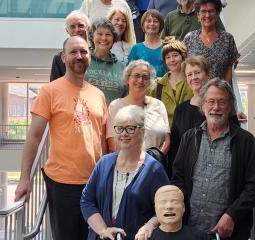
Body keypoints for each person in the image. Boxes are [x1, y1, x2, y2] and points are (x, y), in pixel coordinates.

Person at [15, 36, 108, 240]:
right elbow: (34, 137)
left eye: (83, 52)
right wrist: (24, 179)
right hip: (62, 182)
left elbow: (101, 139)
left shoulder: (98, 95)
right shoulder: (49, 91)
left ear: (89, 56)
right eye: (73, 52)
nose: (79, 56)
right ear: (63, 57)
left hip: (95, 182)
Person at [172, 78, 255, 240]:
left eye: (222, 102)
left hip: (228, 231)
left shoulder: (246, 142)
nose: (216, 107)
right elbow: (178, 178)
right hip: (190, 229)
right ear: (202, 105)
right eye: (211, 101)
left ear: (230, 107)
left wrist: (232, 215)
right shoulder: (189, 138)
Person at [80, 105, 169, 240]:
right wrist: (103, 230)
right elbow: (87, 201)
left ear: (143, 131)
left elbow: (166, 207)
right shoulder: (104, 163)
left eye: (130, 128)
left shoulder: (154, 169)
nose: (124, 133)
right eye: (120, 128)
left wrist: (149, 226)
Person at [107, 60, 170, 155]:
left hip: (155, 165)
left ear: (150, 82)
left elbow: (166, 139)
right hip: (126, 166)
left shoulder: (159, 105)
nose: (140, 80)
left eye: (145, 77)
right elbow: (112, 142)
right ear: (128, 79)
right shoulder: (115, 106)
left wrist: (154, 160)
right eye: (136, 75)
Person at [168, 56, 209, 173]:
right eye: (189, 75)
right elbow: (175, 147)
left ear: (207, 75)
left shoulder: (219, 107)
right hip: (187, 173)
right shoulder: (181, 110)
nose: (194, 77)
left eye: (197, 72)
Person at [184, 0, 239, 84]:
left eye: (211, 11)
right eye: (203, 11)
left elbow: (230, 67)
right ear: (198, 15)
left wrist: (225, 90)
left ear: (217, 14)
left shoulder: (227, 38)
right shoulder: (189, 38)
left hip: (219, 94)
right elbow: (184, 68)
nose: (207, 15)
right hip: (196, 93)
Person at [147, 37, 193, 128]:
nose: (172, 60)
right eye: (168, 57)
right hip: (164, 134)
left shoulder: (192, 82)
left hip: (188, 135)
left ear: (183, 57)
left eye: (175, 55)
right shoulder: (157, 84)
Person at [85, 18, 127, 104]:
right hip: (86, 115)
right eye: (99, 34)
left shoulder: (122, 67)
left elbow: (126, 97)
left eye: (108, 35)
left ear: (113, 39)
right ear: (92, 37)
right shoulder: (83, 61)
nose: (104, 38)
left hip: (114, 116)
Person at [50, 10, 90, 81]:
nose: (77, 30)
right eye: (72, 27)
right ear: (67, 30)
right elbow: (54, 87)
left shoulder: (97, 56)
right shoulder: (59, 59)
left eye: (81, 25)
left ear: (88, 28)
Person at [128, 9, 167, 77]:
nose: (152, 24)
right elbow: (129, 73)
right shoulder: (136, 48)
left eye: (155, 21)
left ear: (160, 25)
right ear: (143, 25)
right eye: (148, 21)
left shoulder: (167, 46)